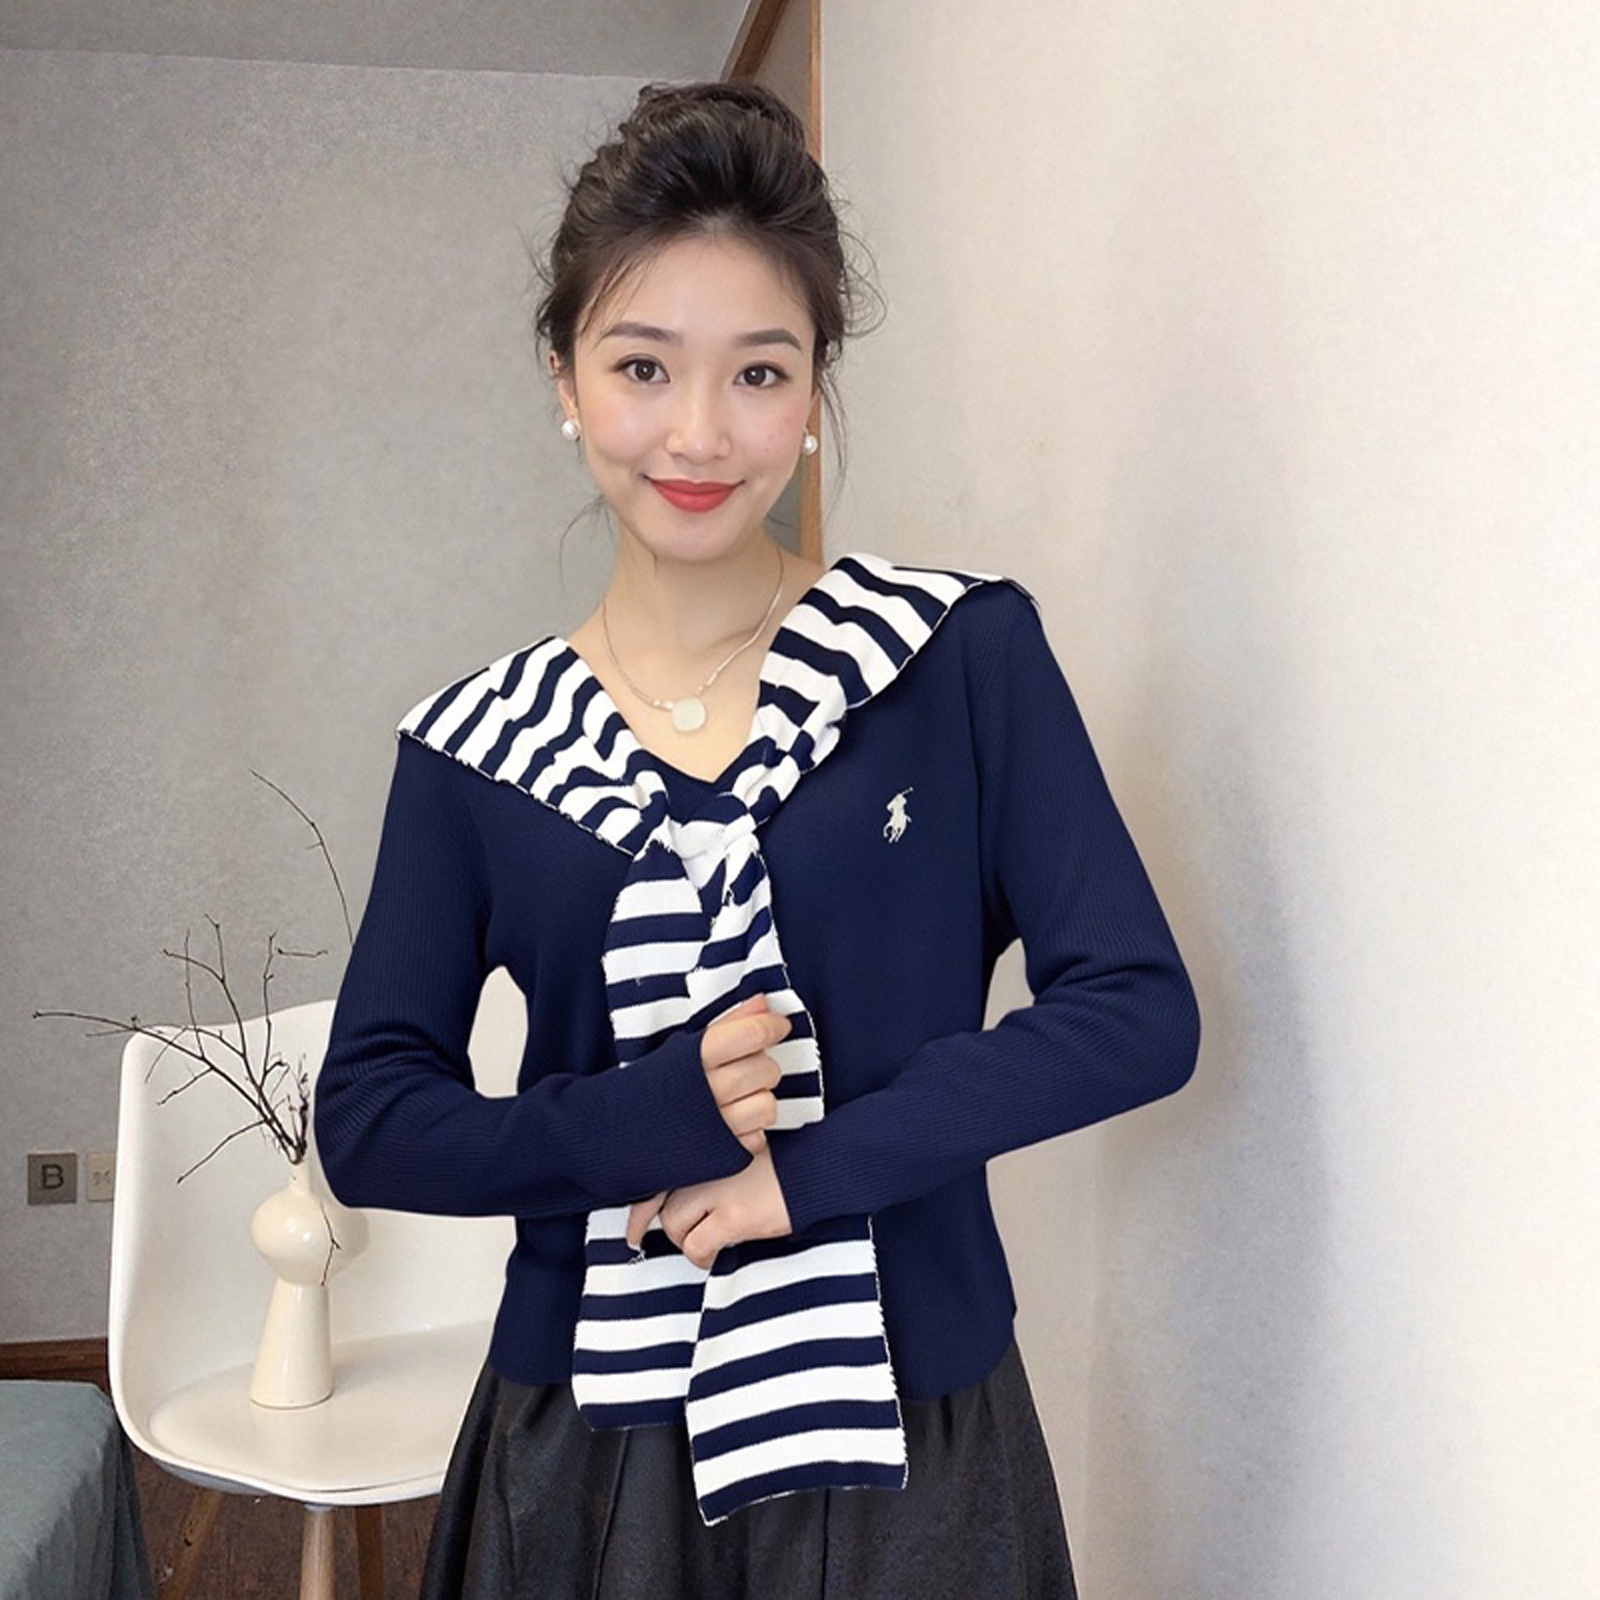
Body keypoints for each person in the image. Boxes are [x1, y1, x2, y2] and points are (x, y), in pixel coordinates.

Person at [314, 80, 1201, 1599]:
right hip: (589, 1444)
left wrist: (813, 1171)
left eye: (760, 372)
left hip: (910, 1423)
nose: (700, 434)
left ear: (813, 391)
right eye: (642, 366)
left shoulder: (952, 660)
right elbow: (371, 1118)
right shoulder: (474, 749)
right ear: (563, 376)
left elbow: (1135, 1011)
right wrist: (630, 1124)